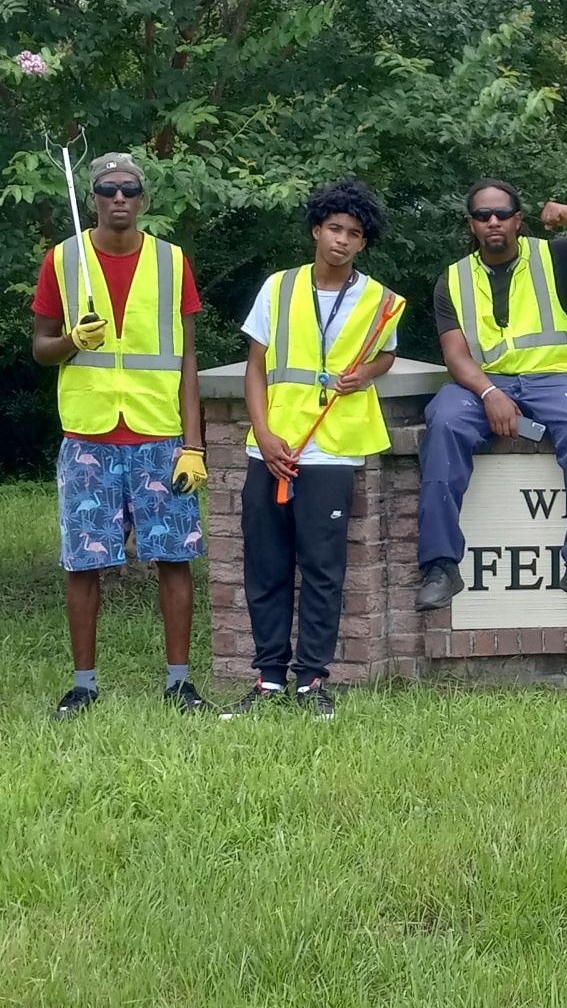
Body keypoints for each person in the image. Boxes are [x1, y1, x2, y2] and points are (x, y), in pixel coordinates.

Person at [31, 152, 209, 719]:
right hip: (88, 433)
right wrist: (72, 343)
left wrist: (195, 443)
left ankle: (178, 682)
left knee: (174, 557)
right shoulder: (62, 261)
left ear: (144, 197)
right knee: (84, 563)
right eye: (107, 189)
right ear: (93, 198)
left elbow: (186, 359)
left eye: (129, 189)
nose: (119, 199)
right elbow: (41, 348)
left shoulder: (172, 261)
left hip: (159, 433)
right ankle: (84, 685)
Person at [416, 180, 567, 614]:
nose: (493, 221)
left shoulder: (554, 254)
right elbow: (455, 354)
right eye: (483, 215)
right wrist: (489, 393)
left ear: (518, 220)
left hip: (553, 381)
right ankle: (440, 567)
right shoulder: (452, 278)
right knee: (443, 423)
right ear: (472, 224)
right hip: (481, 384)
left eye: (502, 213)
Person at [223, 180, 404, 721]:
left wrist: (364, 375)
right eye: (334, 228)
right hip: (273, 445)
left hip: (333, 446)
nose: (342, 240)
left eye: (354, 233)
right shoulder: (278, 288)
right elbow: (255, 367)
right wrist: (264, 433)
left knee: (323, 568)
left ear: (363, 243)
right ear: (316, 230)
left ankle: (313, 680)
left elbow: (386, 358)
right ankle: (268, 679)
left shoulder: (378, 299)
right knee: (267, 564)